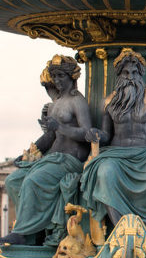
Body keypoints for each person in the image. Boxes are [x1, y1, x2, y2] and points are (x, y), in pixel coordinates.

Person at [81, 48, 146, 243]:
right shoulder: (108, 102)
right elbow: (107, 134)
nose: (130, 77)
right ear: (119, 74)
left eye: (134, 72)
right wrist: (95, 134)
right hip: (117, 153)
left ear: (141, 74)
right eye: (125, 73)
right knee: (104, 172)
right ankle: (121, 229)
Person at [0, 56, 92, 246]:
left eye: (60, 76)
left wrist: (59, 126)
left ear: (71, 76)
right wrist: (28, 153)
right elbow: (50, 137)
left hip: (69, 161)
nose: (56, 81)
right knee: (13, 180)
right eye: (54, 77)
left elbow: (86, 133)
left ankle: (22, 233)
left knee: (33, 181)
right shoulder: (54, 104)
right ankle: (35, 232)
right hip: (51, 159)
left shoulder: (77, 101)